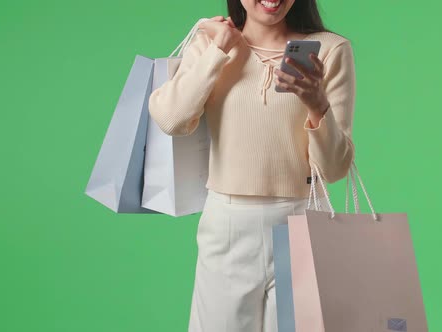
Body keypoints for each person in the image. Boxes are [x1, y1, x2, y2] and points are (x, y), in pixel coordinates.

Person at [149, 0, 355, 331]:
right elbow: (172, 118)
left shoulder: (329, 50)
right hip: (228, 224)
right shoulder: (209, 43)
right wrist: (219, 50)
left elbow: (334, 169)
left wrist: (317, 104)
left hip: (304, 219)